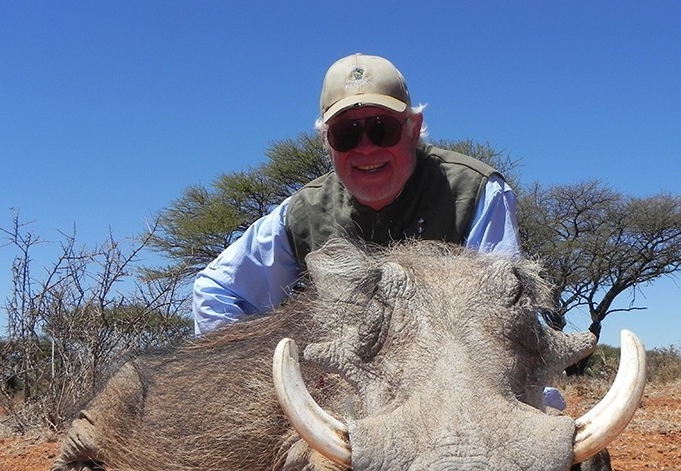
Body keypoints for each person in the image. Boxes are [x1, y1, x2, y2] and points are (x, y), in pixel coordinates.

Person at [193, 53, 520, 335]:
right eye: (345, 134)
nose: (366, 149)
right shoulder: (302, 212)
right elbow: (216, 291)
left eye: (382, 128)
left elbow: (505, 311)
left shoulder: (477, 191)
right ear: (326, 141)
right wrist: (264, 381)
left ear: (414, 129)